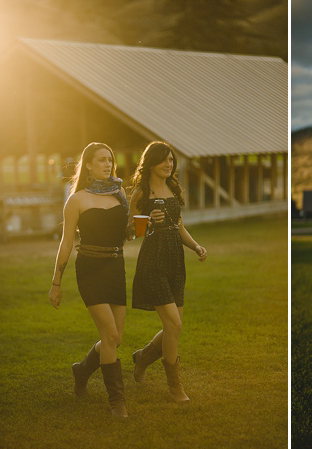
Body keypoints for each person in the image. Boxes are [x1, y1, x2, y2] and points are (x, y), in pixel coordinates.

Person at [48, 142, 130, 418]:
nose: (108, 164)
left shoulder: (120, 194)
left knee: (116, 338)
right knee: (109, 334)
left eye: (110, 159)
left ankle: (82, 370)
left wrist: (142, 226)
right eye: (101, 160)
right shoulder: (77, 199)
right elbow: (66, 242)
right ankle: (117, 402)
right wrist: (56, 282)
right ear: (90, 166)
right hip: (90, 269)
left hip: (116, 266)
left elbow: (125, 232)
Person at [129, 141, 207, 402]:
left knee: (175, 326)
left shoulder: (173, 188)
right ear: (150, 162)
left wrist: (196, 246)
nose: (168, 164)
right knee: (173, 324)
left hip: (176, 260)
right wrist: (148, 222)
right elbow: (134, 232)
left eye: (171, 160)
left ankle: (142, 358)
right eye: (164, 160)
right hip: (153, 260)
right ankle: (175, 387)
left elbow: (180, 227)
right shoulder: (140, 194)